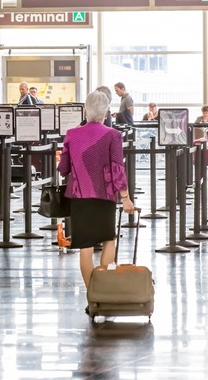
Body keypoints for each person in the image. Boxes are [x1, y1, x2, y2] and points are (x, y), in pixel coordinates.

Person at [58, 90, 135, 313]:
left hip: (80, 197)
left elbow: (63, 169)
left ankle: (92, 297)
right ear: (106, 112)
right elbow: (117, 170)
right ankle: (104, 293)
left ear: (86, 110)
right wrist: (126, 199)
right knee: (108, 240)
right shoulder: (113, 136)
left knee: (85, 247)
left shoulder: (72, 134)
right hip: (105, 196)